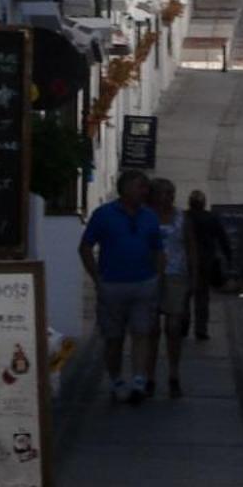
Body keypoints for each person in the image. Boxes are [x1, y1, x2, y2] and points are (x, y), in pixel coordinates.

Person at [78, 170, 167, 405]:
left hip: (143, 283)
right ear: (125, 188)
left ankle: (138, 380)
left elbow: (158, 248)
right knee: (113, 339)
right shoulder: (103, 215)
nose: (145, 192)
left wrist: (157, 277)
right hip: (112, 284)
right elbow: (85, 247)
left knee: (142, 333)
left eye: (145, 188)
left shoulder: (149, 216)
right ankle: (116, 380)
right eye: (140, 187)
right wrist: (97, 278)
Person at [150, 177, 193, 399]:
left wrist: (193, 278)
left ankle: (174, 374)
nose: (168, 197)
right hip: (149, 276)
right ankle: (148, 376)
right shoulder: (145, 216)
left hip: (176, 275)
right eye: (164, 193)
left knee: (174, 327)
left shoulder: (181, 217)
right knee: (151, 330)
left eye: (171, 193)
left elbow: (190, 246)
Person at [184, 188, 233, 332]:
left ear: (190, 203)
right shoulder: (211, 217)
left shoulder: (183, 217)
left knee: (184, 295)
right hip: (205, 262)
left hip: (186, 261)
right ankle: (201, 328)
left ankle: (183, 325)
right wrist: (228, 256)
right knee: (202, 296)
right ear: (204, 203)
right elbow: (222, 238)